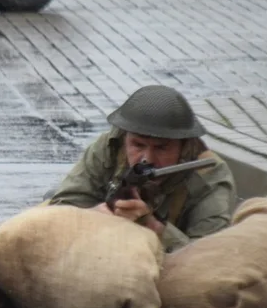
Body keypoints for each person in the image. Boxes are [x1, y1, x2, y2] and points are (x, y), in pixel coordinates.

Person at [48, 85, 237, 252]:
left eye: (162, 148)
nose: (148, 159)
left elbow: (210, 259)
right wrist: (93, 216)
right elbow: (63, 207)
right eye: (138, 145)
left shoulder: (210, 176)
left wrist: (151, 226)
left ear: (184, 146)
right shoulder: (109, 148)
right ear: (125, 138)